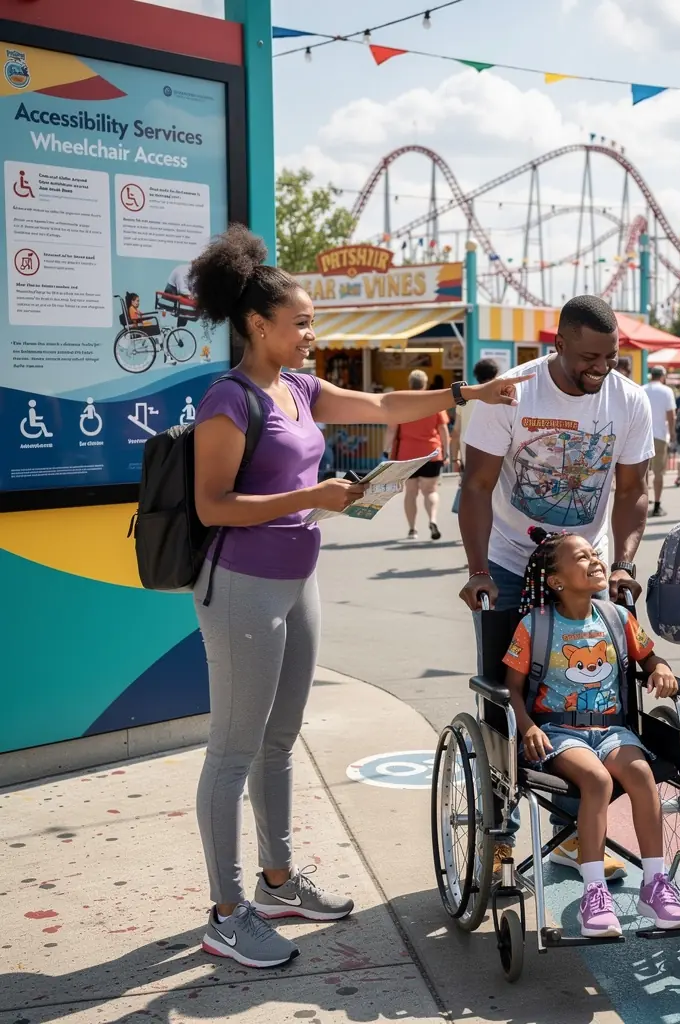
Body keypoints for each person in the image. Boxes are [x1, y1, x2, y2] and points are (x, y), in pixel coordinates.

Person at [188, 224, 527, 969]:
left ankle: (277, 882)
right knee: (235, 749)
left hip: (296, 578)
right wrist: (315, 494)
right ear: (256, 325)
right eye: (301, 323)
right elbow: (213, 506)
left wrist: (468, 391)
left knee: (280, 739)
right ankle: (225, 911)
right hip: (242, 586)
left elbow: (379, 406)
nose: (312, 335)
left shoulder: (301, 388)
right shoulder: (227, 401)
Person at [459, 293, 654, 881]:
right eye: (589, 356)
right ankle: (500, 836)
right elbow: (476, 486)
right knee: (507, 693)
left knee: (588, 687)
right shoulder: (512, 393)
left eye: (611, 356)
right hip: (514, 559)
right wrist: (477, 570)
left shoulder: (629, 400)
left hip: (582, 561)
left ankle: (574, 832)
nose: (602, 367)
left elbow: (631, 491)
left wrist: (622, 562)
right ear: (558, 345)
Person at [504, 528, 680, 937]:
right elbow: (513, 691)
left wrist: (659, 667)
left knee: (642, 775)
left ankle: (655, 884)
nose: (595, 561)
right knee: (596, 781)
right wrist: (528, 727)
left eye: (595, 554)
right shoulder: (534, 625)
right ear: (556, 581)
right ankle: (595, 893)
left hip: (612, 729)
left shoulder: (618, 618)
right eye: (582, 557)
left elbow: (648, 658)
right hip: (557, 731)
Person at [384, 370, 449, 541]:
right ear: (425, 384)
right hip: (432, 453)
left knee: (411, 492)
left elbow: (392, 429)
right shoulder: (435, 402)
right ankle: (433, 520)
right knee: (430, 490)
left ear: (409, 383)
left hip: (407, 455)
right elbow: (443, 429)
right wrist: (447, 451)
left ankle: (412, 530)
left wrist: (386, 449)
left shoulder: (401, 402)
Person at [450, 358, 500, 514]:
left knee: (473, 498)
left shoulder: (465, 397)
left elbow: (456, 432)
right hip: (496, 456)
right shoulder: (502, 396)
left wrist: (455, 459)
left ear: (475, 375)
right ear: (496, 374)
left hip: (469, 457)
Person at [642, 364, 676, 518]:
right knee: (658, 473)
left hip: (642, 435)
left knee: (643, 472)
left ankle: (644, 501)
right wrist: (673, 433)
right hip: (660, 435)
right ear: (663, 376)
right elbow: (671, 415)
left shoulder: (642, 389)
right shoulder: (667, 391)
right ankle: (657, 504)